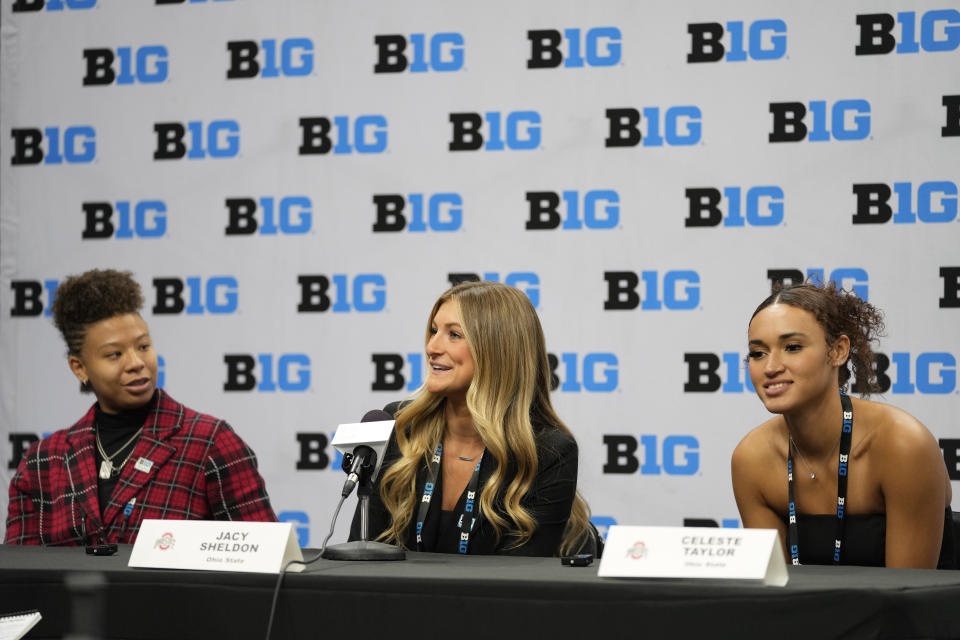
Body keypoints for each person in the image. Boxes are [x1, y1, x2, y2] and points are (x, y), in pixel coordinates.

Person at [5, 269, 277, 546]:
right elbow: (19, 577)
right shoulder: (43, 462)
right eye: (115, 354)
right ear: (80, 367)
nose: (136, 362)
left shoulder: (210, 442)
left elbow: (267, 557)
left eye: (144, 346)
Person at [350, 281, 594, 556]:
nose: (432, 347)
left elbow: (522, 584)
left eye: (454, 334)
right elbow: (363, 557)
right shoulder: (401, 426)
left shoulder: (548, 451)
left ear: (497, 350)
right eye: (433, 331)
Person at [732, 281, 954, 568]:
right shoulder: (751, 459)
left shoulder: (903, 445)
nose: (771, 367)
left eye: (793, 347)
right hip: (805, 613)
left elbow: (907, 599)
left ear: (837, 351)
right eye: (758, 353)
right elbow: (775, 596)